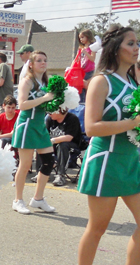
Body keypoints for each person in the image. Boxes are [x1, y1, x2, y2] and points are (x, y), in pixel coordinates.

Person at [75, 24, 140, 265]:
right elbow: (91, 127)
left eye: (137, 43)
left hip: (129, 161)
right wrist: (133, 123)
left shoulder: (134, 82)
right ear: (115, 48)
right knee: (98, 227)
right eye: (131, 43)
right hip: (105, 161)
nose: (136, 48)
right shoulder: (102, 81)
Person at [11, 51, 57, 215]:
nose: (43, 63)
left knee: (48, 161)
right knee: (25, 165)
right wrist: (45, 99)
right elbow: (22, 105)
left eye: (45, 60)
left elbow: (47, 102)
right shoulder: (27, 81)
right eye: (39, 60)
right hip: (27, 125)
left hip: (40, 125)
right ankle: (18, 200)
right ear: (31, 64)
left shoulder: (45, 81)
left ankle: (38, 198)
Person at [45, 107, 85, 187]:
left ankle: (61, 175)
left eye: (52, 111)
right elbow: (44, 135)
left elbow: (69, 137)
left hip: (72, 145)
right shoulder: (50, 119)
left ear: (60, 110)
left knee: (62, 144)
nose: (49, 113)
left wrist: (52, 141)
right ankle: (44, 172)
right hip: (53, 145)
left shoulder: (72, 119)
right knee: (42, 144)